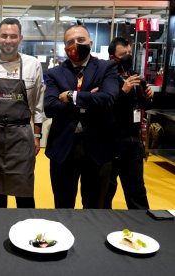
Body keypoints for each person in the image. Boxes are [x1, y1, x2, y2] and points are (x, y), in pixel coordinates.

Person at [44, 24, 119, 209]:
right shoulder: (54, 73)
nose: (75, 44)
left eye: (81, 40)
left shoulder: (106, 68)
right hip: (63, 149)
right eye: (70, 42)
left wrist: (72, 96)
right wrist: (92, 99)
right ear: (64, 47)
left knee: (95, 207)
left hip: (98, 148)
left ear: (90, 43)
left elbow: (108, 99)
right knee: (63, 206)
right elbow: (50, 107)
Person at [0, 18, 44, 208]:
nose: (8, 40)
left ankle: (28, 232)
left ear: (20, 38)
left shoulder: (33, 65)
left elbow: (38, 105)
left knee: (24, 193)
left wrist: (37, 135)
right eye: (4, 35)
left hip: (21, 136)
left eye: (13, 36)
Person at [104, 37, 152, 209]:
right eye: (123, 54)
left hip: (133, 142)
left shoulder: (135, 76)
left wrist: (147, 96)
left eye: (129, 53)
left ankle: (143, 228)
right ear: (113, 58)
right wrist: (122, 92)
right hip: (111, 143)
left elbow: (141, 106)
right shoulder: (106, 80)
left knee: (137, 191)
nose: (128, 56)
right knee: (106, 191)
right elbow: (104, 108)